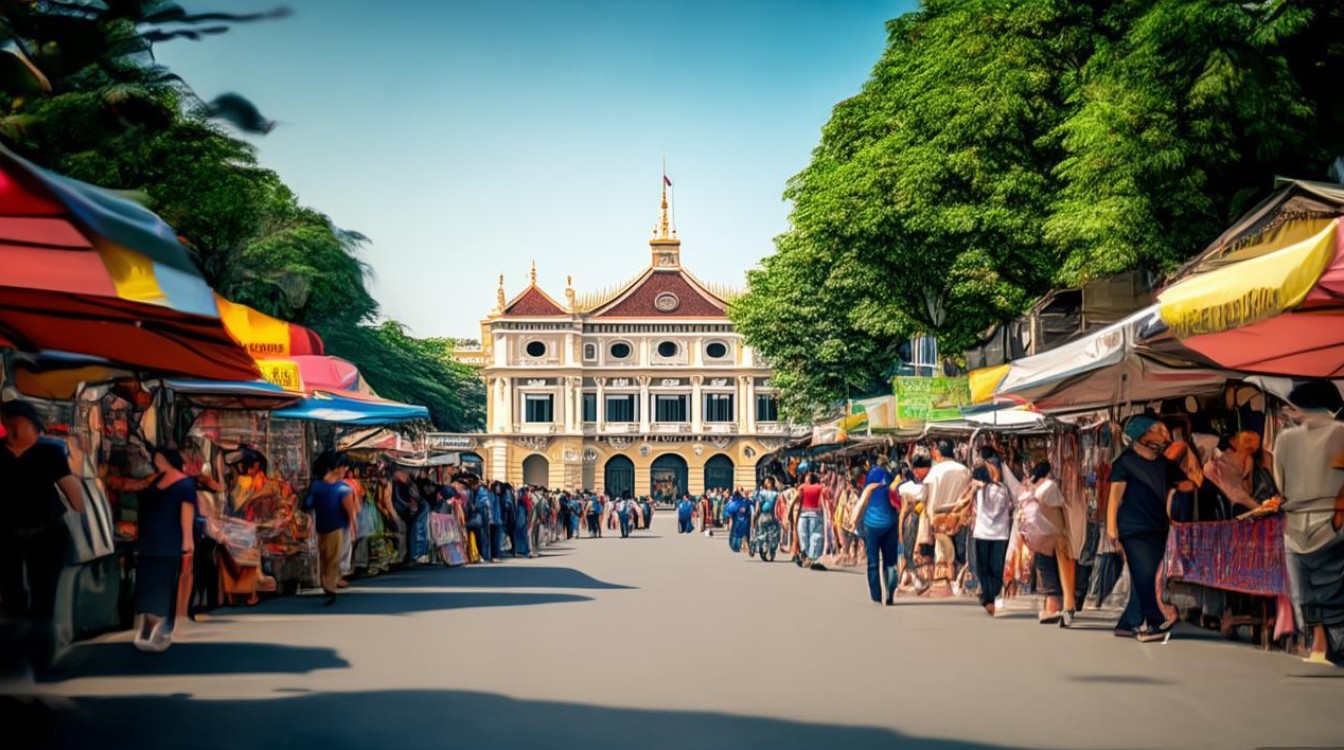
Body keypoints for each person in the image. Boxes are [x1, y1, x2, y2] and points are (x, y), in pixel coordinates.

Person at [0, 400, 86, 662]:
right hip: (11, 535)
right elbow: (75, 497)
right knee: (20, 596)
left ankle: (36, 657)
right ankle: (22, 657)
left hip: (45, 534)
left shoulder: (48, 453)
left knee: (39, 597)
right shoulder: (42, 452)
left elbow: (74, 494)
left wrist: (78, 506)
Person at [1273, 381, 1344, 665]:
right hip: (1331, 521)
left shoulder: (1285, 440)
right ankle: (1330, 646)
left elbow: (1281, 483)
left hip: (1296, 524)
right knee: (1334, 587)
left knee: (1307, 590)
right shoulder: (1341, 433)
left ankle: (1318, 646)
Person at [1107, 415, 1178, 642]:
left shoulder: (1163, 463)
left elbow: (1176, 487)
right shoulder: (1124, 463)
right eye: (1156, 430)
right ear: (1141, 435)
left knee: (1143, 576)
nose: (1162, 435)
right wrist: (1111, 528)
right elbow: (1114, 498)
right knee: (1145, 575)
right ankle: (1148, 624)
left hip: (1158, 527)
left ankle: (1127, 623)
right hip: (1133, 528)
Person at [129, 447, 197, 651]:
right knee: (147, 585)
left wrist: (188, 541)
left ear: (169, 460)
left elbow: (187, 514)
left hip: (169, 543)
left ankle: (156, 629)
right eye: (155, 459)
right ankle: (149, 629)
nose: (156, 462)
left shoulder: (185, 484)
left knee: (162, 585)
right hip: (148, 542)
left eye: (159, 458)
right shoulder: (154, 481)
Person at [305, 450, 358, 606]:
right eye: (344, 469)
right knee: (325, 557)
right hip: (321, 528)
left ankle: (329, 586)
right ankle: (328, 583)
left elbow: (351, 513)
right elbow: (309, 506)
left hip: (336, 528)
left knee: (332, 558)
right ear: (337, 467)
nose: (345, 472)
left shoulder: (343, 489)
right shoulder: (319, 486)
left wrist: (353, 527)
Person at [923, 439, 972, 590]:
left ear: (939, 451)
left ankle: (946, 583)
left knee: (943, 552)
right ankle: (958, 581)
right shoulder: (964, 470)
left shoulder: (935, 470)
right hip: (959, 516)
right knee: (959, 551)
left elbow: (928, 496)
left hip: (939, 518)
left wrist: (928, 518)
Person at [850, 460, 900, 605]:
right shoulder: (885, 475)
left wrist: (855, 525)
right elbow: (893, 494)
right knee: (890, 562)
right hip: (890, 524)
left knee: (873, 562)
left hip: (872, 527)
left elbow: (862, 506)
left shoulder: (868, 485)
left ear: (861, 478)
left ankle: (876, 597)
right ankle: (890, 592)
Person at [970, 463, 1013, 616]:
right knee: (996, 568)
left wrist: (978, 490)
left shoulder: (981, 491)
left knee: (983, 569)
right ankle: (990, 597)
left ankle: (988, 598)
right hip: (1000, 535)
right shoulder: (1002, 488)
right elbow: (1007, 506)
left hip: (983, 534)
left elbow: (990, 511)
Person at [898, 457, 932, 593]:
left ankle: (900, 583)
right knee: (908, 555)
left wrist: (900, 532)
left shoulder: (904, 489)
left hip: (908, 521)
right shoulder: (918, 489)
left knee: (907, 555)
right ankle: (915, 584)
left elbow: (902, 513)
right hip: (913, 521)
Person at [797, 472, 826, 569]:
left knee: (803, 536)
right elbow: (823, 502)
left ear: (808, 480)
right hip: (816, 514)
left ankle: (805, 556)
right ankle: (812, 557)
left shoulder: (802, 487)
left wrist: (796, 516)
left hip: (803, 514)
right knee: (815, 536)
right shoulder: (821, 488)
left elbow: (798, 502)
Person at [751, 478, 781, 561]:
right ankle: (770, 551)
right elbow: (778, 507)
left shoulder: (761, 493)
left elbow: (758, 507)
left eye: (769, 482)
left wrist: (755, 517)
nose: (769, 483)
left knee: (762, 534)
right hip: (773, 516)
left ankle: (764, 549)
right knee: (773, 535)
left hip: (764, 516)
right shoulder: (777, 494)